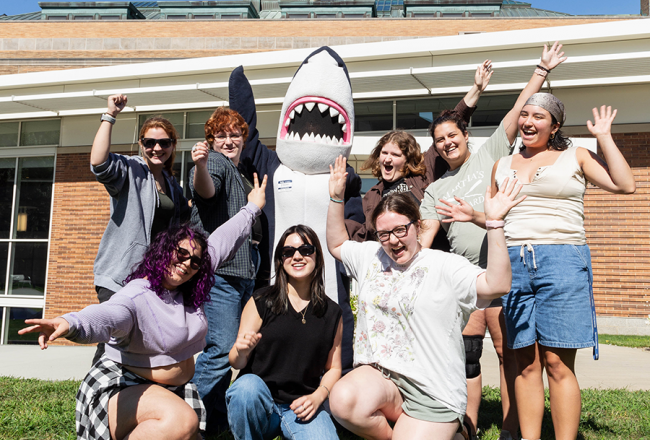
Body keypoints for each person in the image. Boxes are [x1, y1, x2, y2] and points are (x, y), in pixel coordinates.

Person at [18, 177, 267, 440]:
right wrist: (70, 323)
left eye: (194, 262)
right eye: (180, 253)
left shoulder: (188, 283)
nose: (186, 263)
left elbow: (223, 240)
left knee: (187, 431)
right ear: (164, 250)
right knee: (181, 420)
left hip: (166, 392)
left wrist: (252, 208)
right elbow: (109, 315)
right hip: (119, 388)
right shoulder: (139, 293)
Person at [419, 43, 567, 440]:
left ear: (465, 135)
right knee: (467, 359)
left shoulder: (490, 155)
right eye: (439, 140)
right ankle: (467, 427)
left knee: (509, 356)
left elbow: (519, 112)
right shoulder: (435, 189)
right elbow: (426, 234)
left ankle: (510, 429)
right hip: (467, 283)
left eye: (452, 135)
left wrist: (541, 70)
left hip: (504, 275)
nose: (447, 142)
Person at [326, 155, 524, 440]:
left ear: (418, 226)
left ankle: (451, 433)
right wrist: (335, 198)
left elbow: (498, 284)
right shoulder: (372, 255)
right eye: (384, 234)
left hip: (433, 389)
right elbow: (336, 243)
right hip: (383, 379)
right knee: (343, 400)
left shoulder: (444, 265)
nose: (393, 240)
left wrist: (494, 223)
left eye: (400, 230)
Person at [491, 96, 635, 440]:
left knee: (556, 362)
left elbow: (625, 184)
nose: (527, 121)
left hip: (563, 260)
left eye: (538, 116)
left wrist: (604, 136)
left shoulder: (576, 155)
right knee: (525, 363)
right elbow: (495, 214)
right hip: (514, 261)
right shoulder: (502, 163)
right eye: (524, 114)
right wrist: (474, 216)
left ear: (554, 126)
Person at [348, 59, 493, 248]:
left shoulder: (424, 173)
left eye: (395, 154)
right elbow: (363, 235)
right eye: (384, 153)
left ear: (407, 160)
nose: (388, 158)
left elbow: (451, 123)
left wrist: (477, 89)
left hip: (432, 254)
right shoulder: (371, 196)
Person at [90, 94, 191, 365]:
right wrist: (110, 115)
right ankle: (94, 396)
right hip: (122, 273)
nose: (157, 148)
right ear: (141, 144)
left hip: (151, 276)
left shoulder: (171, 183)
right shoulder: (131, 169)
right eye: (150, 142)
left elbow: (187, 218)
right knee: (113, 339)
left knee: (136, 343)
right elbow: (99, 163)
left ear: (172, 145)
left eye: (164, 143)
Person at [226, 224, 343, 440]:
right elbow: (236, 362)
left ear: (317, 255)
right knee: (245, 389)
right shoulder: (261, 301)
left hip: (302, 407)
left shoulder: (332, 312)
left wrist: (318, 397)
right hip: (260, 405)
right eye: (288, 252)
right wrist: (241, 351)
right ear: (281, 260)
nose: (297, 256)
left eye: (306, 250)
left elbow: (334, 367)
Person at [189, 107, 264, 433]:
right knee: (219, 350)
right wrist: (201, 165)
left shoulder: (241, 172)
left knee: (228, 348)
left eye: (235, 134)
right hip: (223, 275)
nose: (229, 140)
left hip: (242, 274)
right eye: (222, 135)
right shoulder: (217, 164)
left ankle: (215, 423)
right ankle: (192, 422)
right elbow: (206, 190)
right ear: (211, 140)